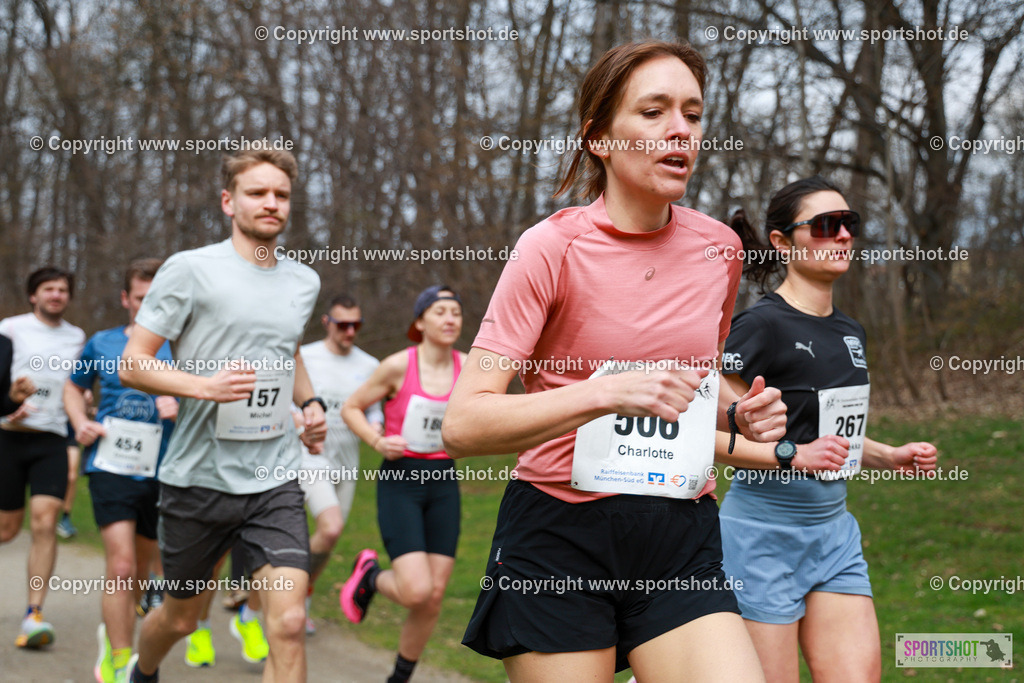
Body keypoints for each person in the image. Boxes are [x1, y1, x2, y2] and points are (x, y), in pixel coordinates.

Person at [440, 40, 789, 682]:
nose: (680, 129)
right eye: (653, 112)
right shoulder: (550, 248)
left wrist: (740, 415)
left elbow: (693, 382)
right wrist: (603, 393)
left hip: (679, 532)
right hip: (560, 534)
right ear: (599, 138)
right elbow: (462, 424)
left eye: (692, 113)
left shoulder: (719, 249)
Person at [718, 175, 938, 682]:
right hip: (761, 537)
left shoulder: (850, 331)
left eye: (849, 223)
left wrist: (888, 455)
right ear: (783, 241)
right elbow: (716, 435)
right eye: (824, 225)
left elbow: (830, 435)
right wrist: (794, 454)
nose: (842, 235)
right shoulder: (759, 326)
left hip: (834, 535)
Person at [119, 148, 327, 683]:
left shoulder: (303, 281)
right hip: (198, 479)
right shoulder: (190, 270)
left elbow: (288, 350)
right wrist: (203, 387)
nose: (271, 203)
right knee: (182, 618)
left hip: (274, 477)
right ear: (228, 202)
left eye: (281, 194)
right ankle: (143, 670)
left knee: (288, 623)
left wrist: (310, 404)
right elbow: (133, 363)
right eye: (257, 192)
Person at [340, 285, 466, 683]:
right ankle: (371, 576)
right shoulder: (397, 365)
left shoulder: (468, 368)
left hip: (443, 481)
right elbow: (351, 407)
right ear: (420, 322)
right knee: (415, 591)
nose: (450, 319)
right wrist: (377, 441)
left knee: (433, 596)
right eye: (440, 312)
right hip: (401, 480)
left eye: (455, 312)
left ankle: (399, 678)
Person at [64, 258, 178, 683]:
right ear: (126, 299)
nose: (149, 306)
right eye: (142, 298)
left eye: (157, 298)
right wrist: (80, 422)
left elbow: (209, 399)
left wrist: (181, 406)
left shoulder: (183, 347)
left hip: (164, 470)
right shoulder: (103, 343)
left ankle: (115, 630)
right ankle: (120, 657)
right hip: (111, 465)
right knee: (122, 566)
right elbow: (74, 386)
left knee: (143, 570)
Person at [0, 267, 86, 649]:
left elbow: (76, 385)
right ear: (33, 295)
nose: (56, 295)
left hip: (51, 440)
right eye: (48, 289)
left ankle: (33, 614)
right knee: (6, 530)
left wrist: (82, 400)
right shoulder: (10, 328)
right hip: (8, 436)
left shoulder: (77, 337)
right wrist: (10, 400)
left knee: (46, 521)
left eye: (62, 289)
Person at [297, 293, 383, 635]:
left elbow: (373, 407)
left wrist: (375, 425)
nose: (350, 331)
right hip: (310, 456)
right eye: (343, 324)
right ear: (326, 323)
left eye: (355, 325)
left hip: (348, 463)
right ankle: (283, 593)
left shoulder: (369, 365)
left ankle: (300, 594)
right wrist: (301, 425)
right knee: (330, 528)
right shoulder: (306, 357)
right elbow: (290, 401)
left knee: (329, 538)